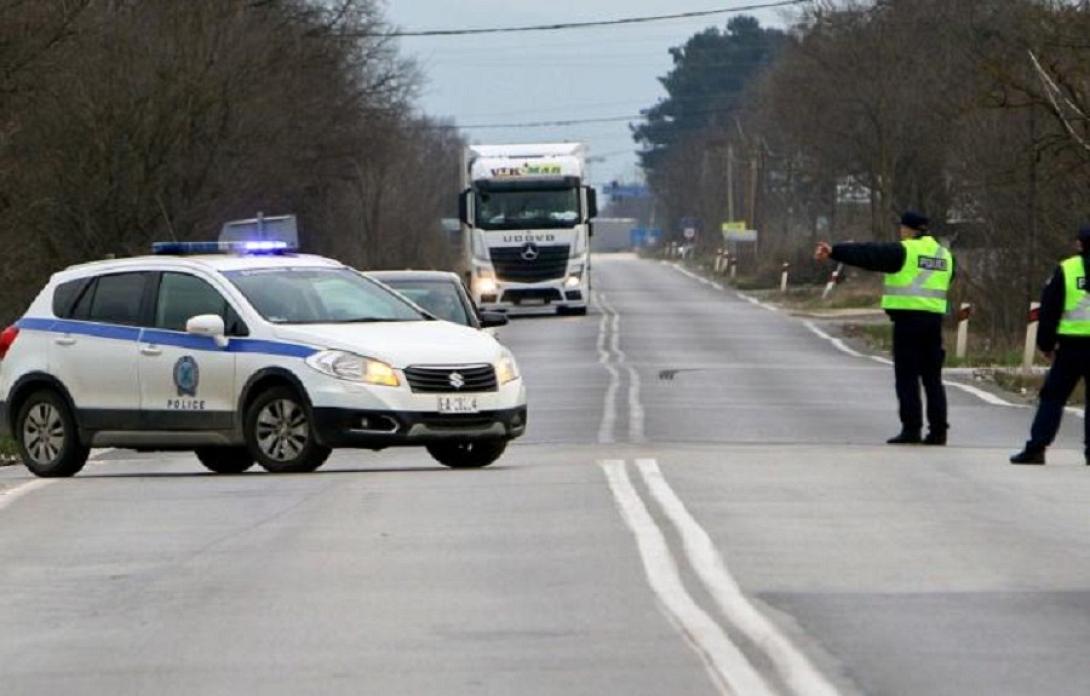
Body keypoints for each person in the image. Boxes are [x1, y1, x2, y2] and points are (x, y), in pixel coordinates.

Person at [815, 212, 954, 445]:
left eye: (902, 228)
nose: (900, 232)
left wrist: (835, 251)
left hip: (908, 322)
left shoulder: (904, 251)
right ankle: (938, 431)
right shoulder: (946, 255)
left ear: (908, 229)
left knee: (907, 376)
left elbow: (869, 254)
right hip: (933, 322)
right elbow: (947, 282)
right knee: (932, 378)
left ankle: (911, 429)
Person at [1010, 227, 1090, 466]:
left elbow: (1049, 310)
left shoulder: (1067, 269)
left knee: (1053, 398)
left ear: (1079, 244)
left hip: (1071, 347)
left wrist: (1045, 344)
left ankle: (1037, 447)